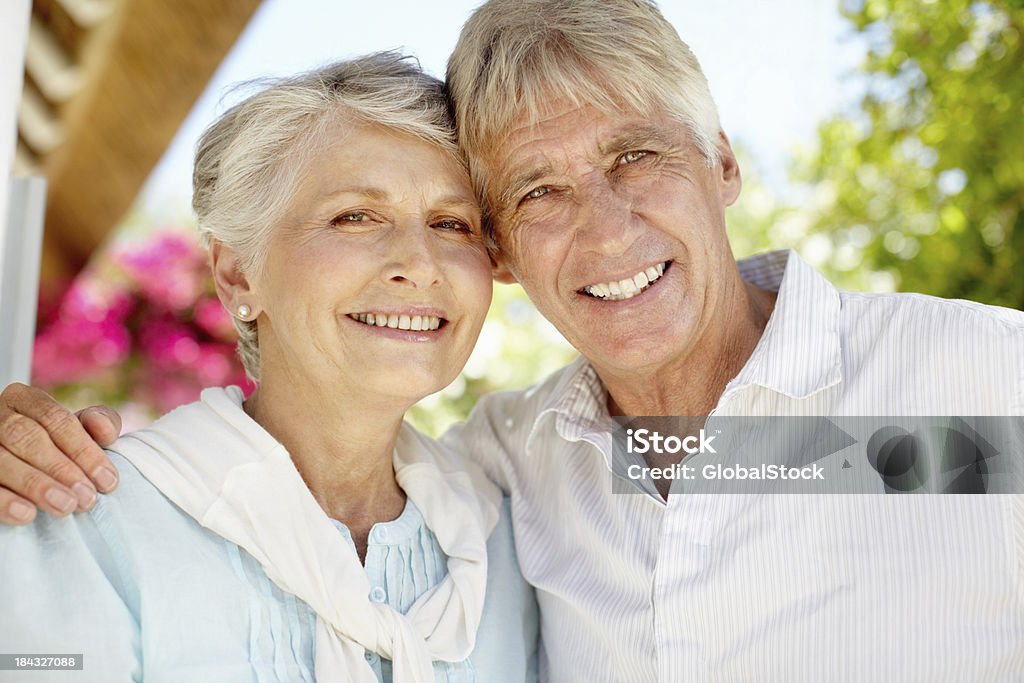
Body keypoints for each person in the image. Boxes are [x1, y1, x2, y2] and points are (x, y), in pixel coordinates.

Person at [2, 0, 1023, 680]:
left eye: (637, 154)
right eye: (537, 192)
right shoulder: (511, 474)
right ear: (504, 250)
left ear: (719, 161)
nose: (606, 227)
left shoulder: (975, 389)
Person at [0, 53, 538, 682]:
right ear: (237, 274)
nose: (419, 263)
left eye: (452, 224)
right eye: (355, 216)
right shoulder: (83, 517)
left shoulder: (508, 535)